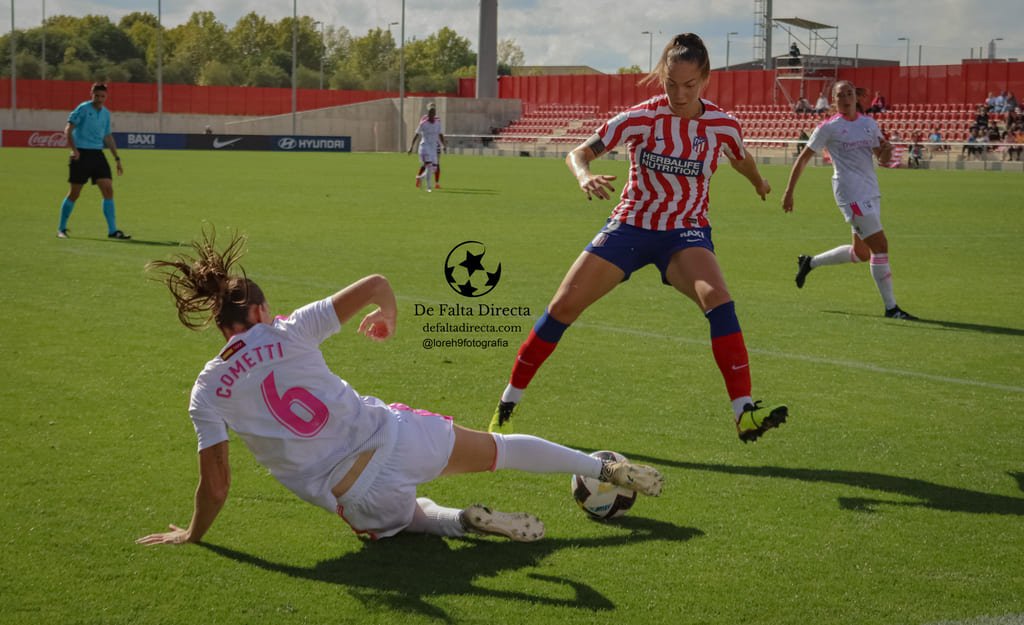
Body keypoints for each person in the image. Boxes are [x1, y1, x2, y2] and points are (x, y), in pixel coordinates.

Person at [136, 229, 663, 547]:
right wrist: (386, 315)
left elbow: (218, 486)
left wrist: (192, 533)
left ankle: (461, 521)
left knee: (403, 521)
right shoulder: (290, 329)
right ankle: (603, 468)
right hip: (395, 436)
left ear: (221, 324)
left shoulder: (206, 389)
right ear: (258, 312)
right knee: (499, 451)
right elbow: (375, 284)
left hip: (353, 494)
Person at [488, 33, 788, 443]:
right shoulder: (641, 117)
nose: (679, 95)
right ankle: (507, 402)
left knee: (718, 298)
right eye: (671, 84)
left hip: (685, 233)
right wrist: (584, 176)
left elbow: (741, 158)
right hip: (631, 225)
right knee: (562, 306)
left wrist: (759, 182)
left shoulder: (722, 124)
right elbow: (579, 152)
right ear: (662, 78)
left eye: (689, 85)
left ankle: (745, 413)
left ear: (705, 80)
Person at [782, 80, 917, 320]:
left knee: (862, 253)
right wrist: (789, 191)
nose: (845, 98)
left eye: (849, 93)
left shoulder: (868, 124)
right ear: (834, 101)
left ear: (856, 97)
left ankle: (809, 263)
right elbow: (803, 159)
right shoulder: (828, 127)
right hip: (850, 193)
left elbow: (882, 158)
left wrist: (886, 150)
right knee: (881, 247)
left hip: (871, 191)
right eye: (840, 95)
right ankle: (891, 308)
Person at [57, 83, 130, 240]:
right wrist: (74, 149)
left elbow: (108, 136)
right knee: (74, 193)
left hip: (97, 154)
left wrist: (117, 158)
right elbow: (68, 129)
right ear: (91, 94)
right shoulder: (83, 108)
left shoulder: (105, 114)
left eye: (102, 96)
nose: (99, 99)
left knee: (108, 189)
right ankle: (61, 229)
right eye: (96, 95)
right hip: (81, 154)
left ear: (106, 97)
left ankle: (112, 231)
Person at [408, 103, 447, 191]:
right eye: (431, 111)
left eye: (434, 111)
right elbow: (417, 134)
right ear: (428, 111)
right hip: (425, 146)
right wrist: (411, 146)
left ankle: (420, 177)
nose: (432, 113)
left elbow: (440, 134)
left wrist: (443, 145)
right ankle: (429, 187)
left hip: (434, 146)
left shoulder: (438, 121)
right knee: (428, 166)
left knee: (435, 167)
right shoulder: (423, 121)